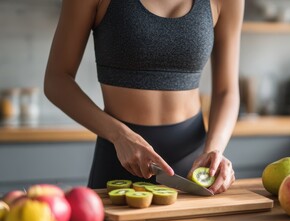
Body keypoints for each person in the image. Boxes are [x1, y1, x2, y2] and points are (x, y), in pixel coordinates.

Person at [44, 0, 244, 194]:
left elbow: (226, 91)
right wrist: (119, 135)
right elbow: (56, 80)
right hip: (120, 159)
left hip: (194, 170)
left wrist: (214, 151)